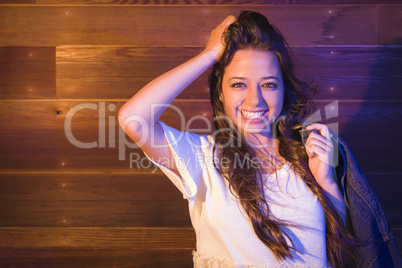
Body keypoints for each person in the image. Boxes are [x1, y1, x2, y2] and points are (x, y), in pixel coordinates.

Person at [118, 11, 401, 268]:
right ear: (220, 93)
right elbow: (133, 117)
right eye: (239, 84)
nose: (255, 100)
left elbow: (338, 244)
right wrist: (208, 55)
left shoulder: (310, 153)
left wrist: (325, 181)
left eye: (268, 84)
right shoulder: (201, 157)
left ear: (282, 90)